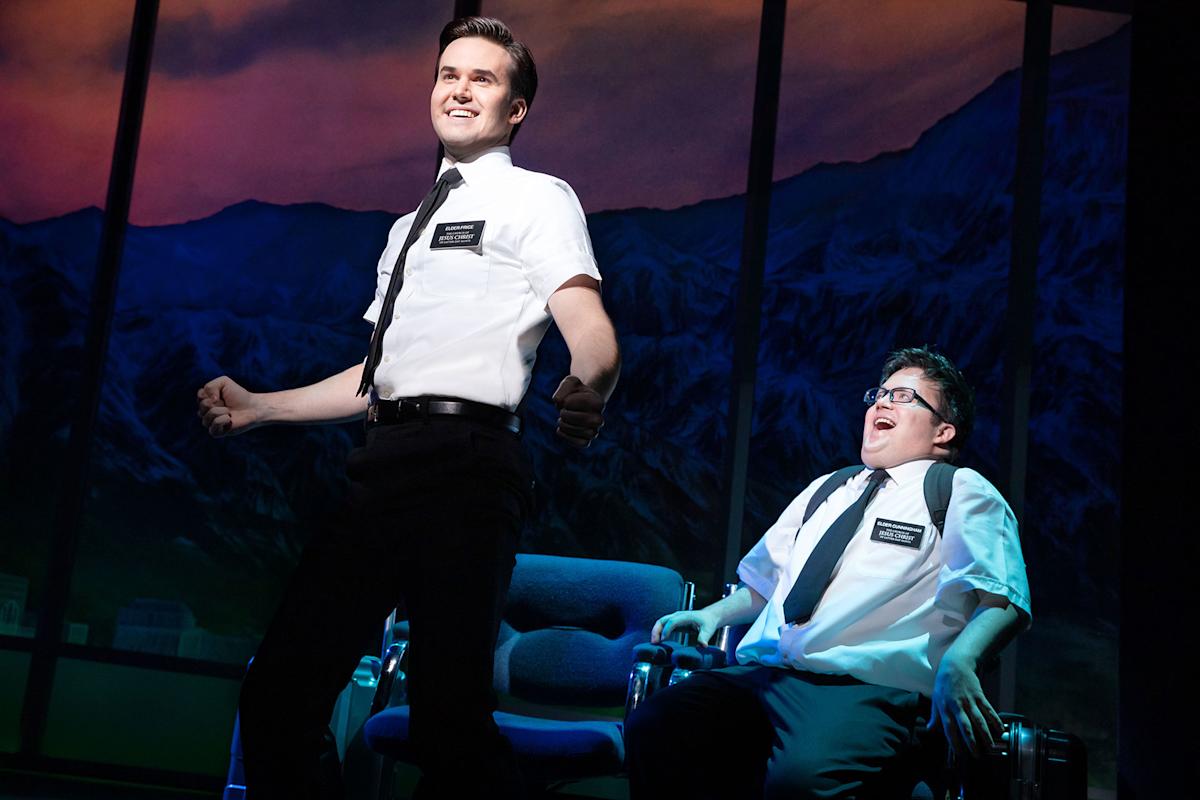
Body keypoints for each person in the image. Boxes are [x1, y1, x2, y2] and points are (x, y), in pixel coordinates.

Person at [196, 17, 619, 800]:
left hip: (467, 465)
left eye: (482, 79)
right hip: (381, 466)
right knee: (279, 692)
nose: (458, 89)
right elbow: (376, 375)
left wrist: (591, 386)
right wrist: (261, 407)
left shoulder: (538, 198)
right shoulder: (406, 230)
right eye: (448, 74)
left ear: (516, 109)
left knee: (447, 724)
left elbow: (591, 331)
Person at [625, 347, 1030, 799]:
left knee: (800, 784)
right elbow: (765, 582)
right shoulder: (830, 487)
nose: (881, 402)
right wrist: (712, 616)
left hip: (866, 689)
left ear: (943, 431)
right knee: (656, 727)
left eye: (903, 396)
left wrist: (962, 660)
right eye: (879, 393)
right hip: (769, 675)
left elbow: (1003, 599)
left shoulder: (958, 489)